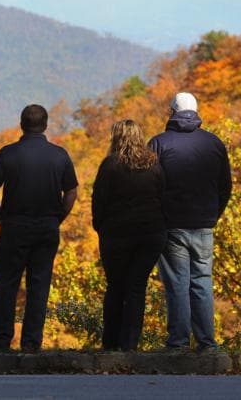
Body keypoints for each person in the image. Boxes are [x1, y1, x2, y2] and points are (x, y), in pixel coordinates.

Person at [0, 104, 78, 352]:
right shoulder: (59, 155)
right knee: (39, 284)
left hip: (14, 224)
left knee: (6, 283)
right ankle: (31, 341)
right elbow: (71, 191)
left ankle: (1, 339)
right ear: (45, 125)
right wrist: (59, 217)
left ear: (22, 124)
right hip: (47, 226)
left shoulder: (7, 154)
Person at [148, 92, 232, 351]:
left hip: (171, 224)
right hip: (204, 224)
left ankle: (178, 342)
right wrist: (212, 214)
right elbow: (225, 186)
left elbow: (149, 185)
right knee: (202, 281)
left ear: (172, 112)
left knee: (177, 284)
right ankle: (207, 342)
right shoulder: (214, 143)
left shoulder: (158, 144)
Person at [92, 119, 167, 351]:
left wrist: (100, 227)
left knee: (115, 286)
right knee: (136, 287)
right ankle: (130, 343)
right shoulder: (153, 164)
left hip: (117, 234)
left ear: (116, 137)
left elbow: (99, 200)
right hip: (150, 234)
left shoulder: (110, 165)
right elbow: (163, 197)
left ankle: (110, 342)